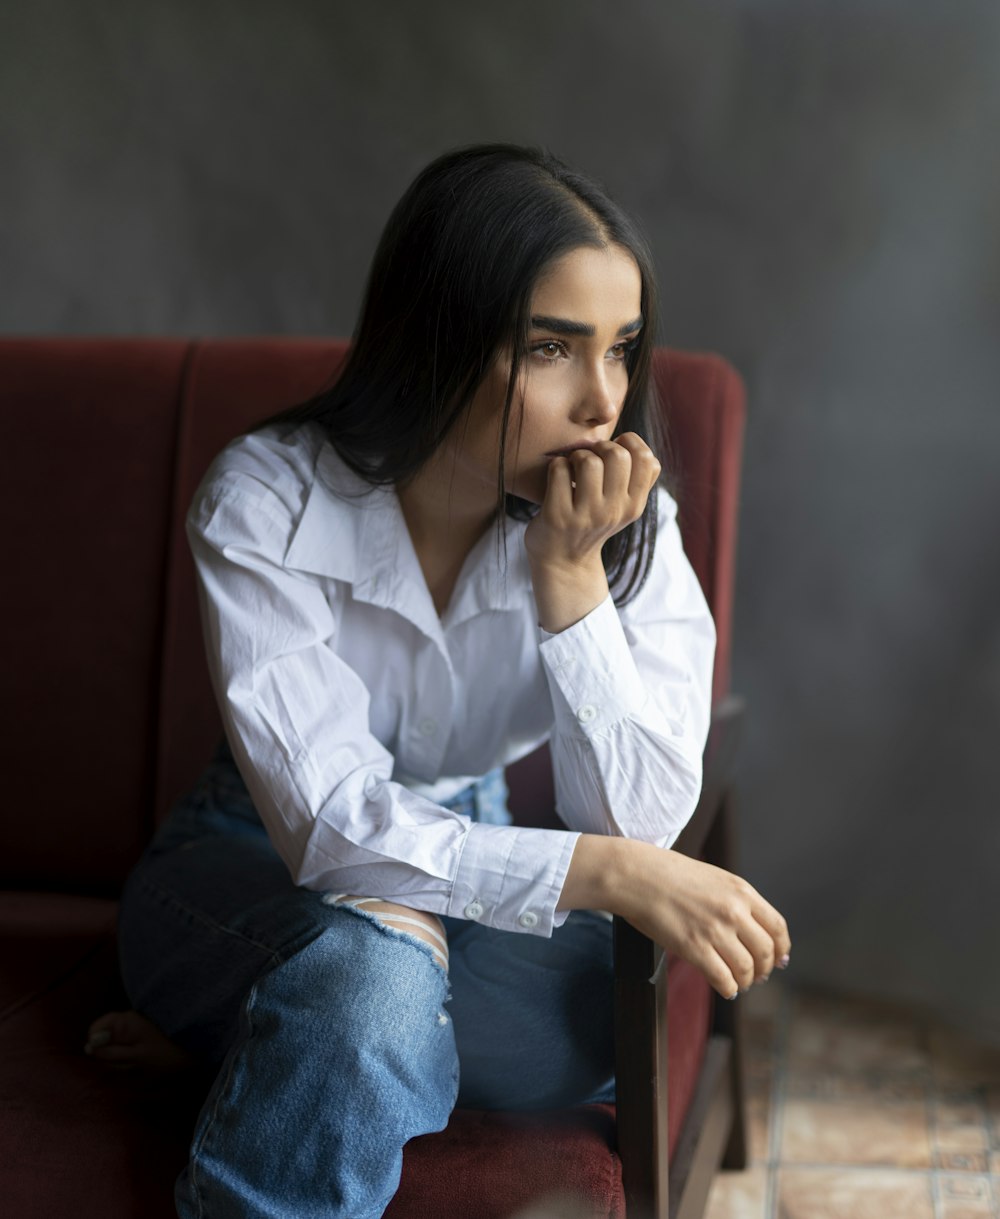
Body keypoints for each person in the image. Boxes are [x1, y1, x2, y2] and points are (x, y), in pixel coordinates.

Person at [86, 144, 790, 1219]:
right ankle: (318, 1034)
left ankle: (269, 1053)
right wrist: (596, 872)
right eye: (552, 348)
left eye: (623, 349)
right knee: (371, 975)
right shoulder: (266, 497)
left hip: (478, 844)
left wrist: (569, 580)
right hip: (245, 858)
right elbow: (328, 826)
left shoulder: (626, 524)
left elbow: (641, 817)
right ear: (439, 336)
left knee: (590, 1016)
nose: (603, 402)